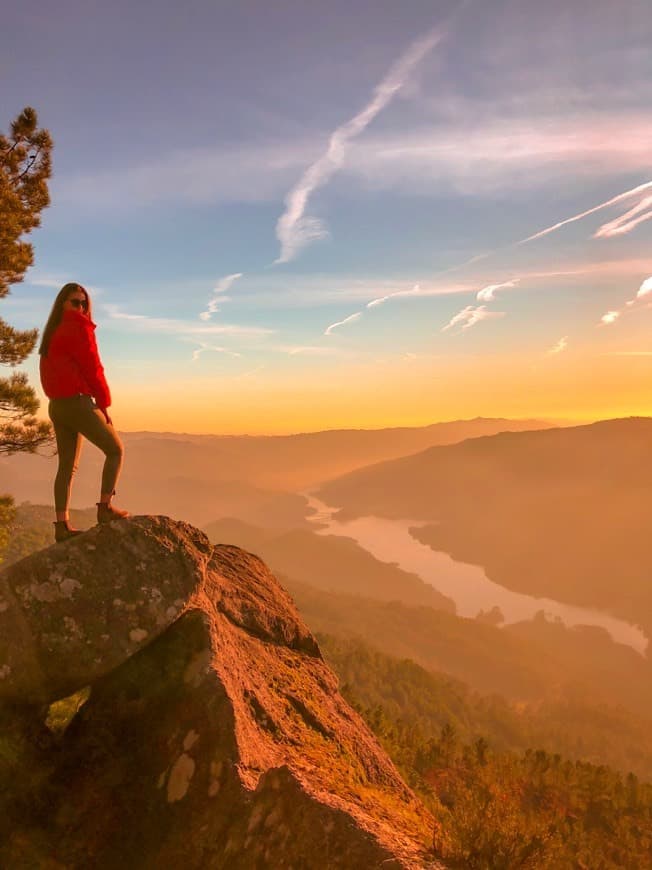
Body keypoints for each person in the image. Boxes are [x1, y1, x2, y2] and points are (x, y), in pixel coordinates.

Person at [39, 282, 129, 542]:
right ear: (63, 304)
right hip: (77, 403)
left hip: (57, 405)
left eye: (84, 303)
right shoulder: (79, 328)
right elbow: (94, 368)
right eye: (75, 303)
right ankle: (105, 509)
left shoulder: (52, 331)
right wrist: (103, 403)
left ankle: (61, 526)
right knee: (115, 450)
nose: (80, 308)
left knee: (66, 466)